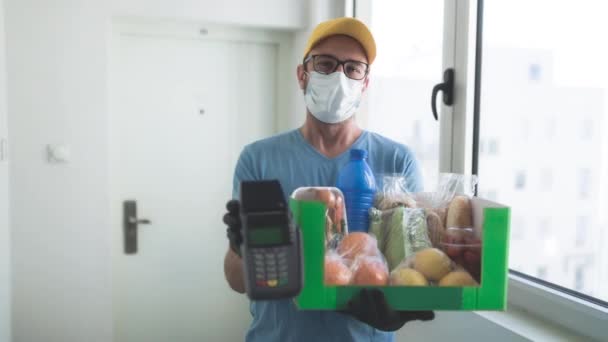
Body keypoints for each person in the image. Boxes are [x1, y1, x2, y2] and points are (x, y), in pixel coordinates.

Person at [223, 17, 434, 342]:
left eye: (353, 68)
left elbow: (413, 268)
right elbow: (236, 280)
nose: (339, 76)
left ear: (365, 83)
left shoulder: (396, 161)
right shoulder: (259, 159)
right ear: (302, 75)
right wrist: (245, 251)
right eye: (326, 64)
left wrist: (399, 310)